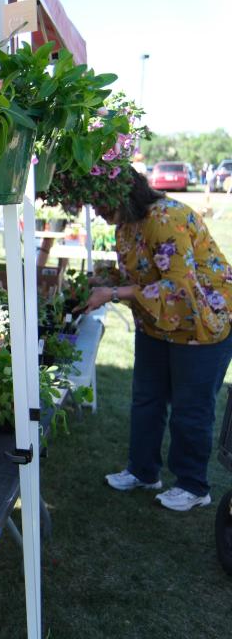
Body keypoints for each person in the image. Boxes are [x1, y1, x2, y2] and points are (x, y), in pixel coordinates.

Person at [81, 167, 232, 511]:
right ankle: (143, 470)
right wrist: (101, 281)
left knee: (190, 409)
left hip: (201, 324)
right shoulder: (125, 225)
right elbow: (140, 272)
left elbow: (178, 286)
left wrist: (114, 293)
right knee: (146, 398)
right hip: (157, 324)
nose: (96, 210)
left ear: (124, 194)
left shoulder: (165, 218)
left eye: (100, 202)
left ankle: (194, 486)